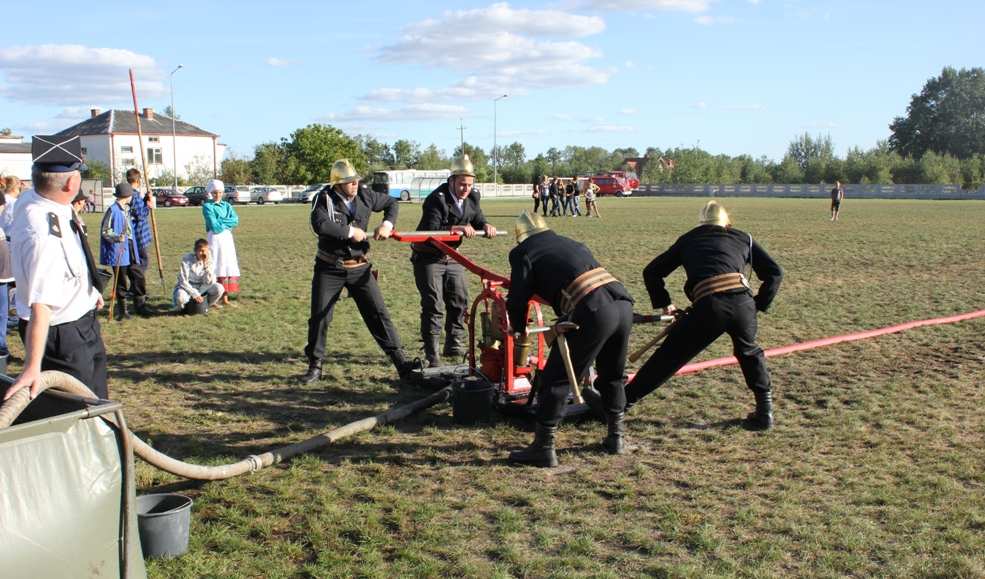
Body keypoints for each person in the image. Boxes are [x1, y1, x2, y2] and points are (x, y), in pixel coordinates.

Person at [624, 200, 783, 430]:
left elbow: (652, 272)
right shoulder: (743, 237)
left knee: (669, 355)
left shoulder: (690, 239)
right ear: (726, 222)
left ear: (701, 223)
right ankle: (765, 412)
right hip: (743, 302)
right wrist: (756, 305)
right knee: (749, 352)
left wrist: (665, 303)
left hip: (710, 305)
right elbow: (775, 273)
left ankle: (619, 404)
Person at [505, 211, 635, 467]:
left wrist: (518, 327)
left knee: (556, 377)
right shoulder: (571, 242)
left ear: (521, 236)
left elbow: (518, 296)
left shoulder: (522, 252)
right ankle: (616, 437)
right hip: (622, 304)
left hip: (593, 310)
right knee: (612, 374)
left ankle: (543, 448)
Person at [3, 135, 109, 402]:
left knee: (98, 400)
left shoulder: (39, 200)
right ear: (72, 183)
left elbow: (72, 257)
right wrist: (31, 367)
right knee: (83, 409)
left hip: (81, 319)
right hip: (65, 335)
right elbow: (40, 306)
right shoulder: (43, 235)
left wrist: (89, 291)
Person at [300, 158, 417, 384]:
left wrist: (387, 225)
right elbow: (320, 225)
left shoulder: (365, 195)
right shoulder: (323, 198)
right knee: (320, 316)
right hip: (329, 267)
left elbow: (392, 204)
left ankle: (401, 362)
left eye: (356, 181)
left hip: (360, 267)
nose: (354, 184)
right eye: (349, 182)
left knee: (378, 313)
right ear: (337, 184)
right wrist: (349, 231)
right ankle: (315, 365)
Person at [410, 154, 497, 367]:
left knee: (460, 300)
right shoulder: (436, 199)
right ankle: (432, 353)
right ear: (452, 181)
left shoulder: (473, 198)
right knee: (434, 304)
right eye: (461, 184)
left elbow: (478, 218)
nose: (465, 189)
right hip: (428, 257)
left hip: (453, 257)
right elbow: (431, 230)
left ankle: (453, 343)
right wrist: (453, 229)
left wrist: (486, 225)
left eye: (469, 185)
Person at [99, 183, 139, 321]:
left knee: (131, 275)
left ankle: (133, 304)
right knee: (120, 280)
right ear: (126, 196)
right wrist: (116, 237)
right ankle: (122, 311)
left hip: (128, 248)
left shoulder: (126, 209)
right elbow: (105, 231)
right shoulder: (113, 210)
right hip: (117, 250)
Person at [122, 168, 156, 315]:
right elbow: (140, 214)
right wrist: (148, 204)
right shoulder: (133, 195)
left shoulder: (131, 195)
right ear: (138, 180)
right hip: (139, 234)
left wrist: (144, 200)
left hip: (138, 234)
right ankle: (136, 288)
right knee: (141, 264)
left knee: (140, 263)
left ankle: (135, 287)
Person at [202, 179, 240, 305]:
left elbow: (235, 220)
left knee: (226, 267)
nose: (217, 195)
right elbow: (214, 226)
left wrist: (221, 221)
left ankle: (225, 298)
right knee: (216, 267)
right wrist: (225, 222)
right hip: (215, 240)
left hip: (227, 240)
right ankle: (214, 298)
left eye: (219, 192)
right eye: (214, 192)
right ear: (210, 193)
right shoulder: (207, 206)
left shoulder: (227, 205)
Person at [173, 238, 224, 315]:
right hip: (188, 286)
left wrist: (206, 265)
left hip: (203, 286)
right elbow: (183, 281)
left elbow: (210, 281)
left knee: (219, 288)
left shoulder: (209, 259)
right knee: (180, 298)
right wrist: (194, 294)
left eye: (205, 251)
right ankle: (183, 310)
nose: (203, 253)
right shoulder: (187, 259)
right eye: (200, 251)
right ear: (195, 251)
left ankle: (205, 306)